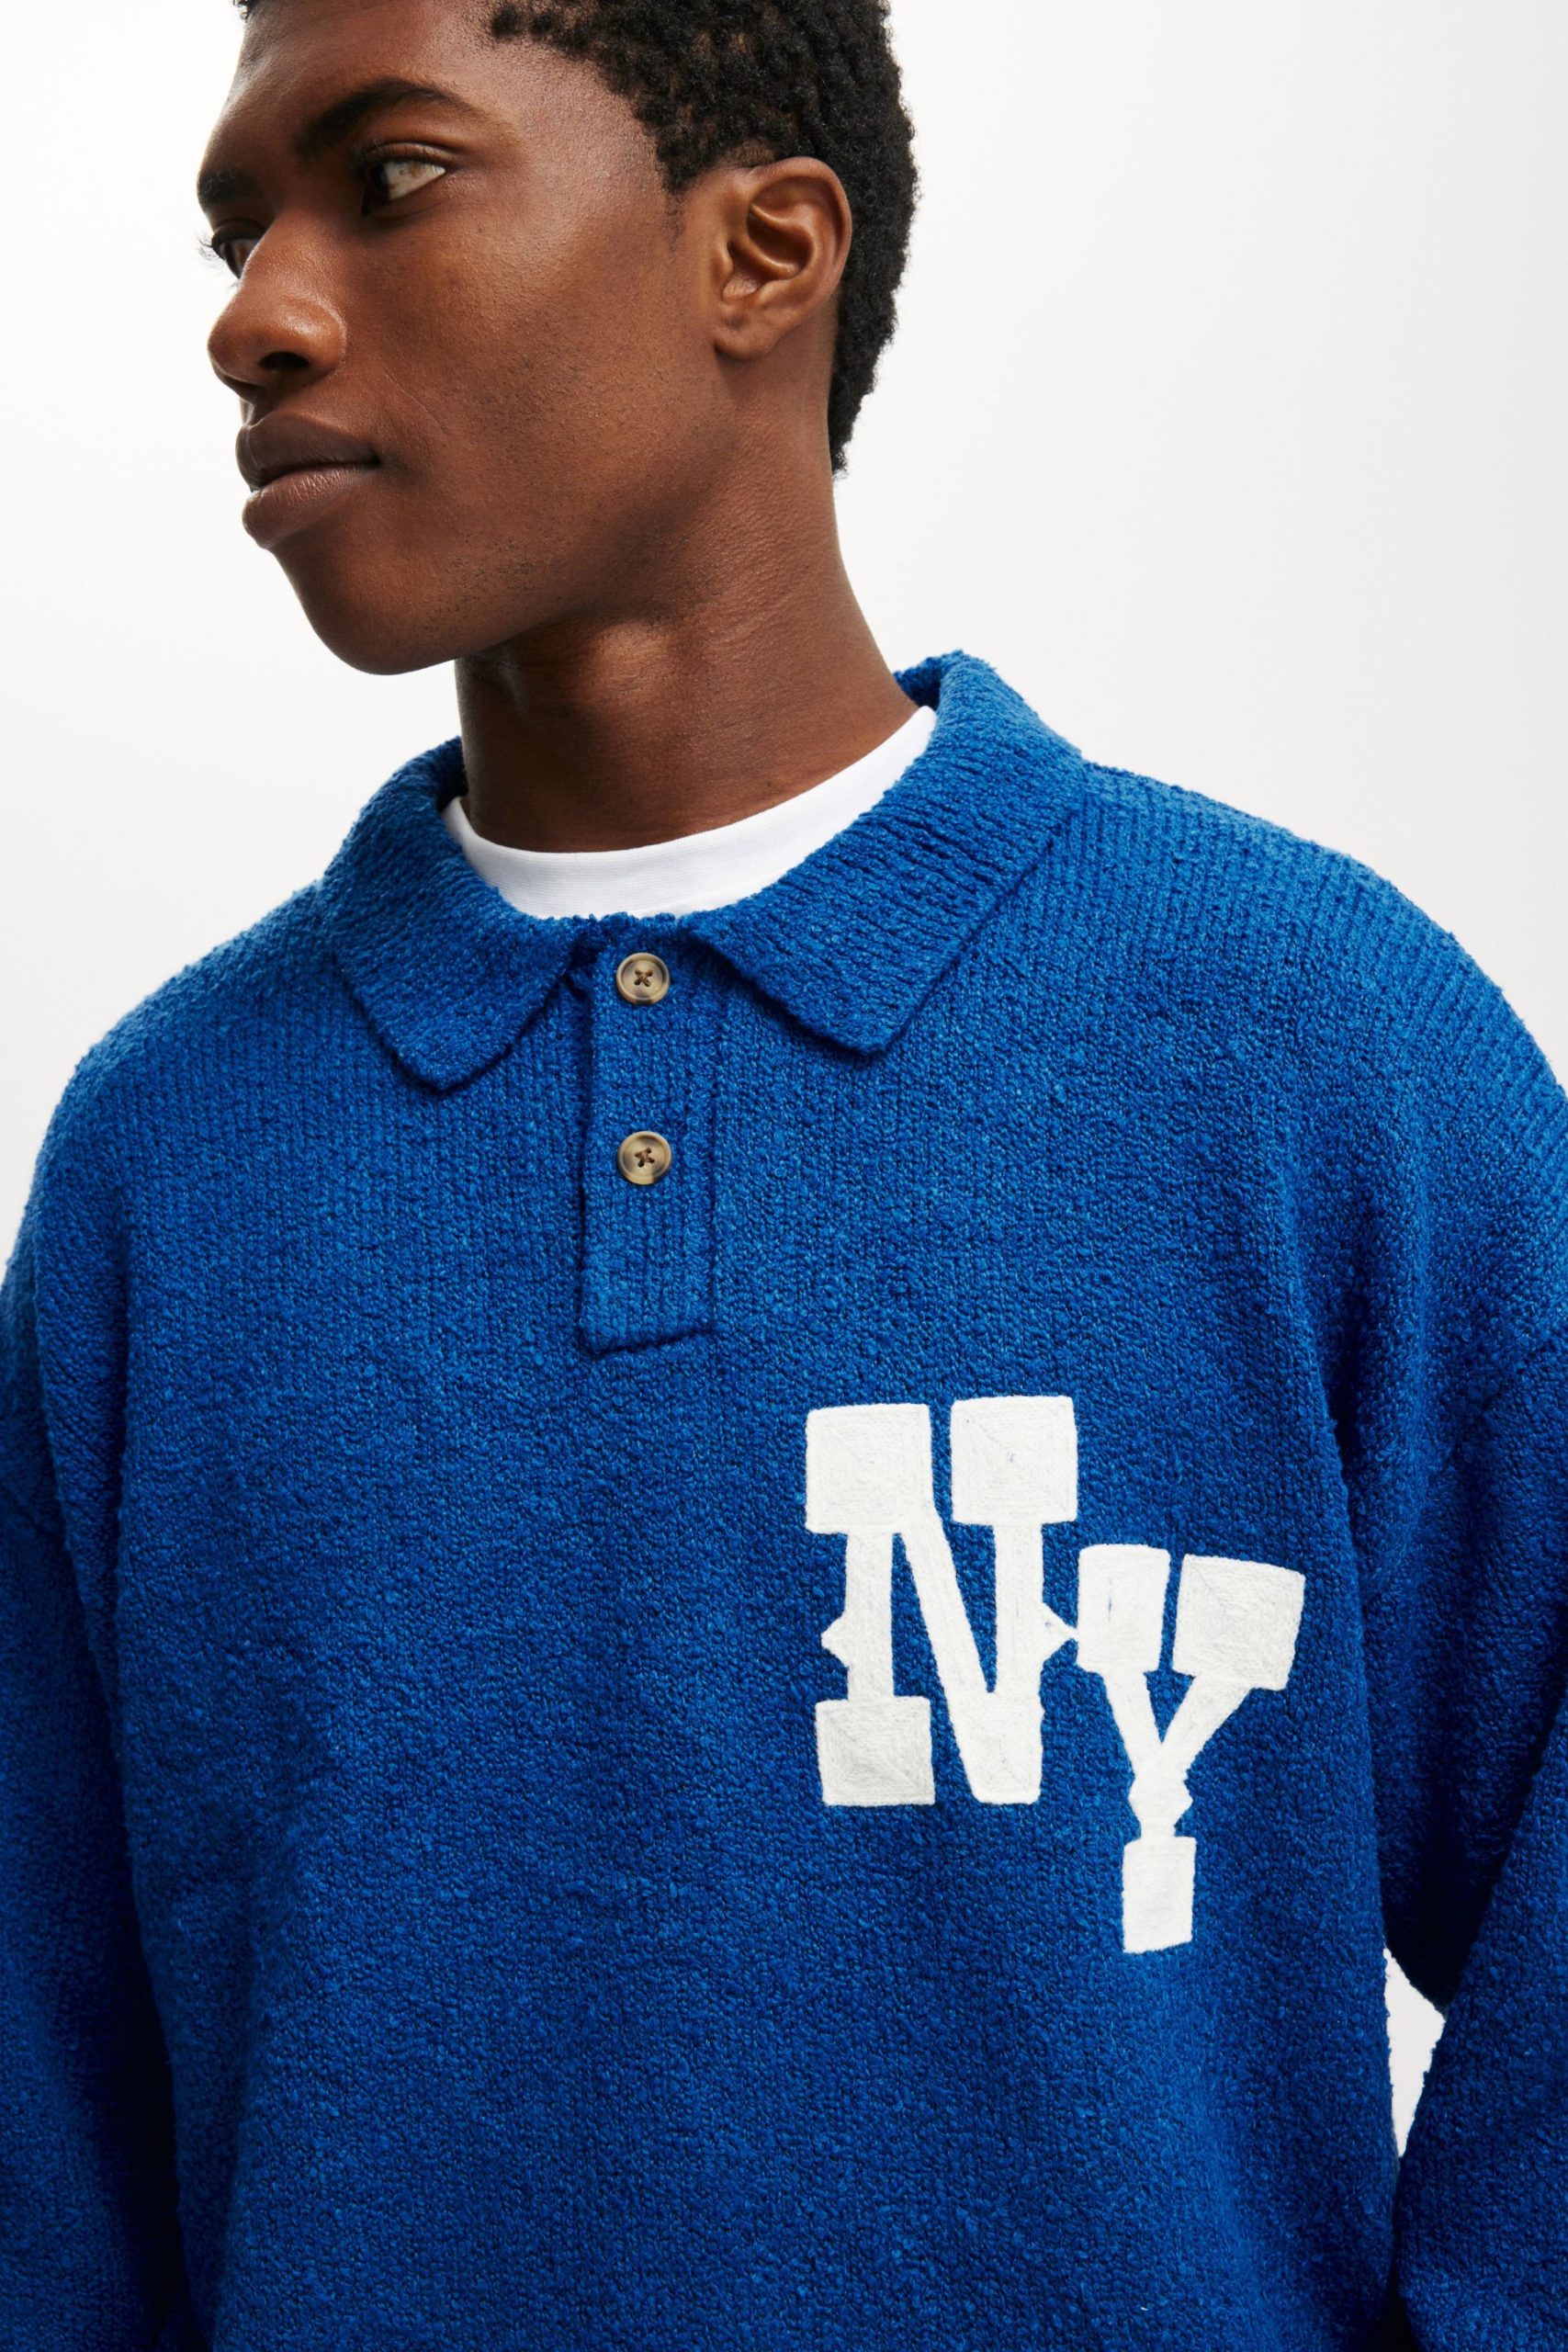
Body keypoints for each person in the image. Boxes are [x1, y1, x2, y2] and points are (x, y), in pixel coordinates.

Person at [2, 0, 1564, 2343]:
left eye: (390, 177)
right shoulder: (164, 1164)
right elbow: (43, 2152)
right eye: (235, 234)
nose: (257, 316)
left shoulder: (1302, 1046)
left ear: (760, 251)